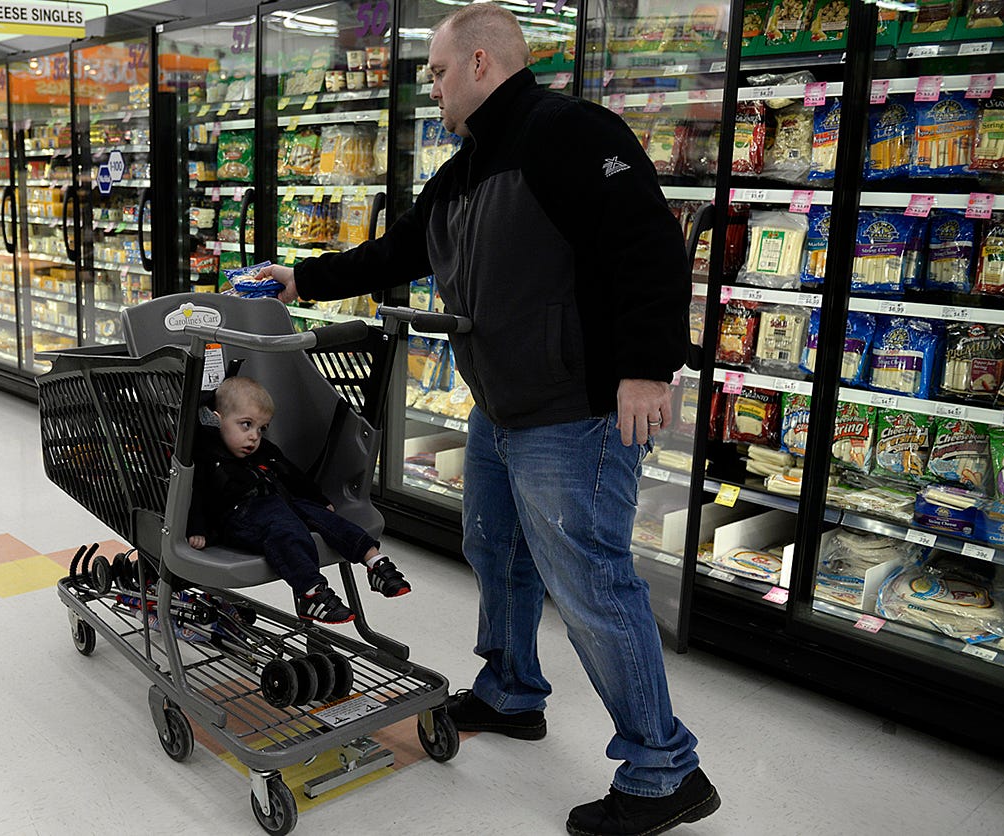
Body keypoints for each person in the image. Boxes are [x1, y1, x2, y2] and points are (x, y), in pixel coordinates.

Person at [252, 5, 717, 835]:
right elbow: (398, 251)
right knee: (495, 552)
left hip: (574, 412)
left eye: (433, 72)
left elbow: (646, 244)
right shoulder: (466, 167)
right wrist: (301, 278)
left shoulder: (568, 131)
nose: (429, 88)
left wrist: (648, 367)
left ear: (476, 62)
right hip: (502, 408)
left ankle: (663, 769)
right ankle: (510, 692)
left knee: (591, 584)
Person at [186, 376, 411, 624]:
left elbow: (291, 475)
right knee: (286, 531)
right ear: (217, 420)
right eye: (246, 425)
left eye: (261, 429)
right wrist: (198, 529)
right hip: (240, 516)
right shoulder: (207, 455)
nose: (254, 436)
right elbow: (196, 492)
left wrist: (318, 499)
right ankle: (310, 592)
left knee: (328, 519)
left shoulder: (264, 451)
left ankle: (375, 563)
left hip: (280, 501)